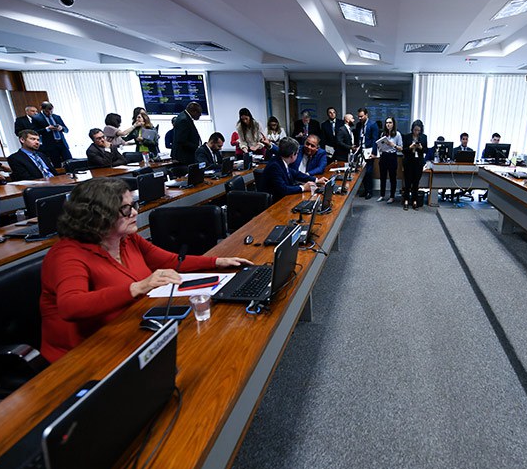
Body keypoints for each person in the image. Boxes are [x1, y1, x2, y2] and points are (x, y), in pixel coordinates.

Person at [39, 178, 252, 362]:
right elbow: (71, 306)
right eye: (125, 209)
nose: (134, 212)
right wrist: (138, 287)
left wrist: (217, 262)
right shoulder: (67, 254)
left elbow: (169, 261)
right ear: (98, 215)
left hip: (133, 330)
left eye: (133, 205)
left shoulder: (127, 238)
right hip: (84, 354)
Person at [262, 137, 326, 202]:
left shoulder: (281, 161)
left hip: (283, 198)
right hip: (275, 203)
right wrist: (303, 187)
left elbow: (296, 174)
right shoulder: (275, 166)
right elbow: (283, 189)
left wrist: (316, 180)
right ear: (292, 155)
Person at [32, 101, 72, 168]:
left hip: (62, 143)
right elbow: (35, 132)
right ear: (42, 109)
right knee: (57, 165)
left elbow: (66, 130)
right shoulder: (36, 118)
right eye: (47, 111)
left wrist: (61, 128)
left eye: (51, 111)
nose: (50, 113)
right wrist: (47, 129)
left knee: (71, 163)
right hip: (50, 145)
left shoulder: (57, 117)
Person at [402, 119, 427, 211]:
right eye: (415, 130)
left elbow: (426, 150)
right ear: (412, 129)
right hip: (409, 162)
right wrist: (410, 147)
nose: (416, 132)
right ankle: (406, 200)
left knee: (416, 183)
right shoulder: (407, 137)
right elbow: (403, 150)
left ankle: (414, 201)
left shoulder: (424, 137)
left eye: (418, 130)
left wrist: (421, 147)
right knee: (407, 183)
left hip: (418, 163)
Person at [377, 116, 402, 203]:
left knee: (392, 178)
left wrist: (393, 145)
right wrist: (380, 147)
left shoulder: (397, 134)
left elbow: (401, 148)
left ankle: (392, 196)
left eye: (390, 122)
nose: (388, 124)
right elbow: (380, 146)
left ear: (393, 124)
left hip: (392, 156)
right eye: (387, 122)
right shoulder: (383, 134)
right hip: (384, 156)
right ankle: (382, 195)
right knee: (382, 177)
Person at [357, 108, 379, 199]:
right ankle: (365, 190)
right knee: (362, 172)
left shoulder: (373, 125)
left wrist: (374, 153)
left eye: (361, 116)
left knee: (369, 172)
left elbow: (375, 140)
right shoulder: (359, 125)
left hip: (369, 151)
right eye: (358, 116)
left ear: (366, 115)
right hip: (361, 151)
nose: (360, 118)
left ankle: (369, 191)